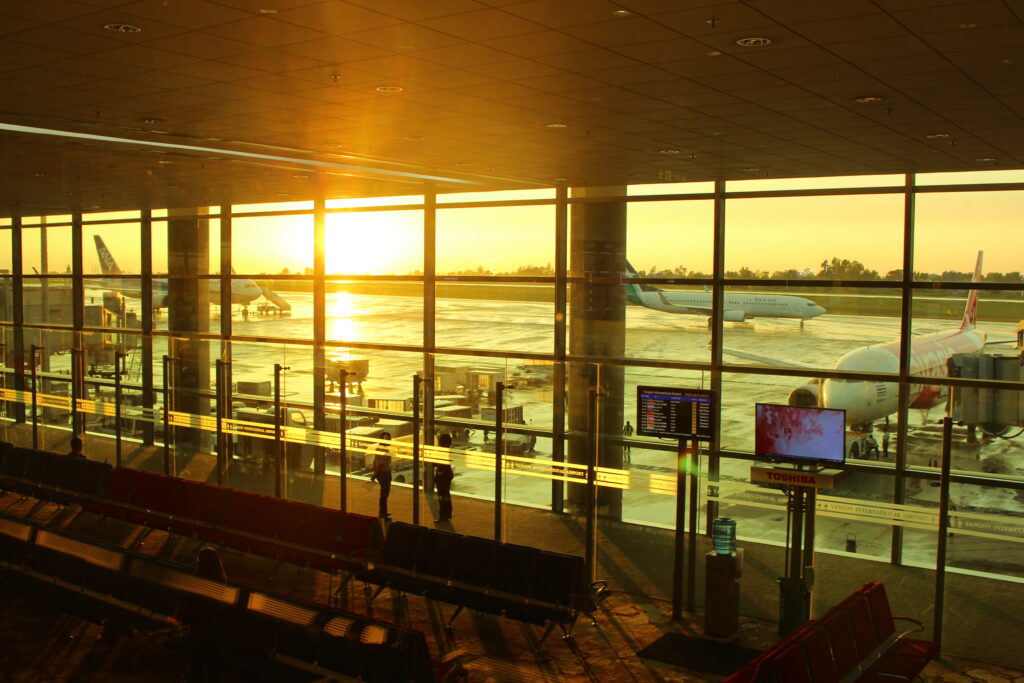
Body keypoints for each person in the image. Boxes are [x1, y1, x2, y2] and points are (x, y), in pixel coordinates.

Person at [178, 546, 228, 682]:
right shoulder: (221, 584)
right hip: (215, 634)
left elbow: (189, 607)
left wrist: (186, 625)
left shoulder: (196, 583)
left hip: (198, 632)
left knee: (196, 664)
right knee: (212, 667)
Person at [370, 432, 392, 518]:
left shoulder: (381, 449)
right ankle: (382, 513)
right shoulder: (382, 450)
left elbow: (375, 461)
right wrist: (375, 474)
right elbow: (379, 463)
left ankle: (383, 512)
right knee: (384, 494)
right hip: (383, 473)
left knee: (384, 493)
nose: (387, 440)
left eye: (388, 438)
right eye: (385, 438)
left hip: (384, 473)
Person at [434, 433, 455, 524]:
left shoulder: (442, 451)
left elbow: (439, 464)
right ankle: (447, 514)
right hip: (447, 475)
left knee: (441, 496)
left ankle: (443, 517)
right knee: (446, 495)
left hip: (442, 475)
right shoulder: (448, 451)